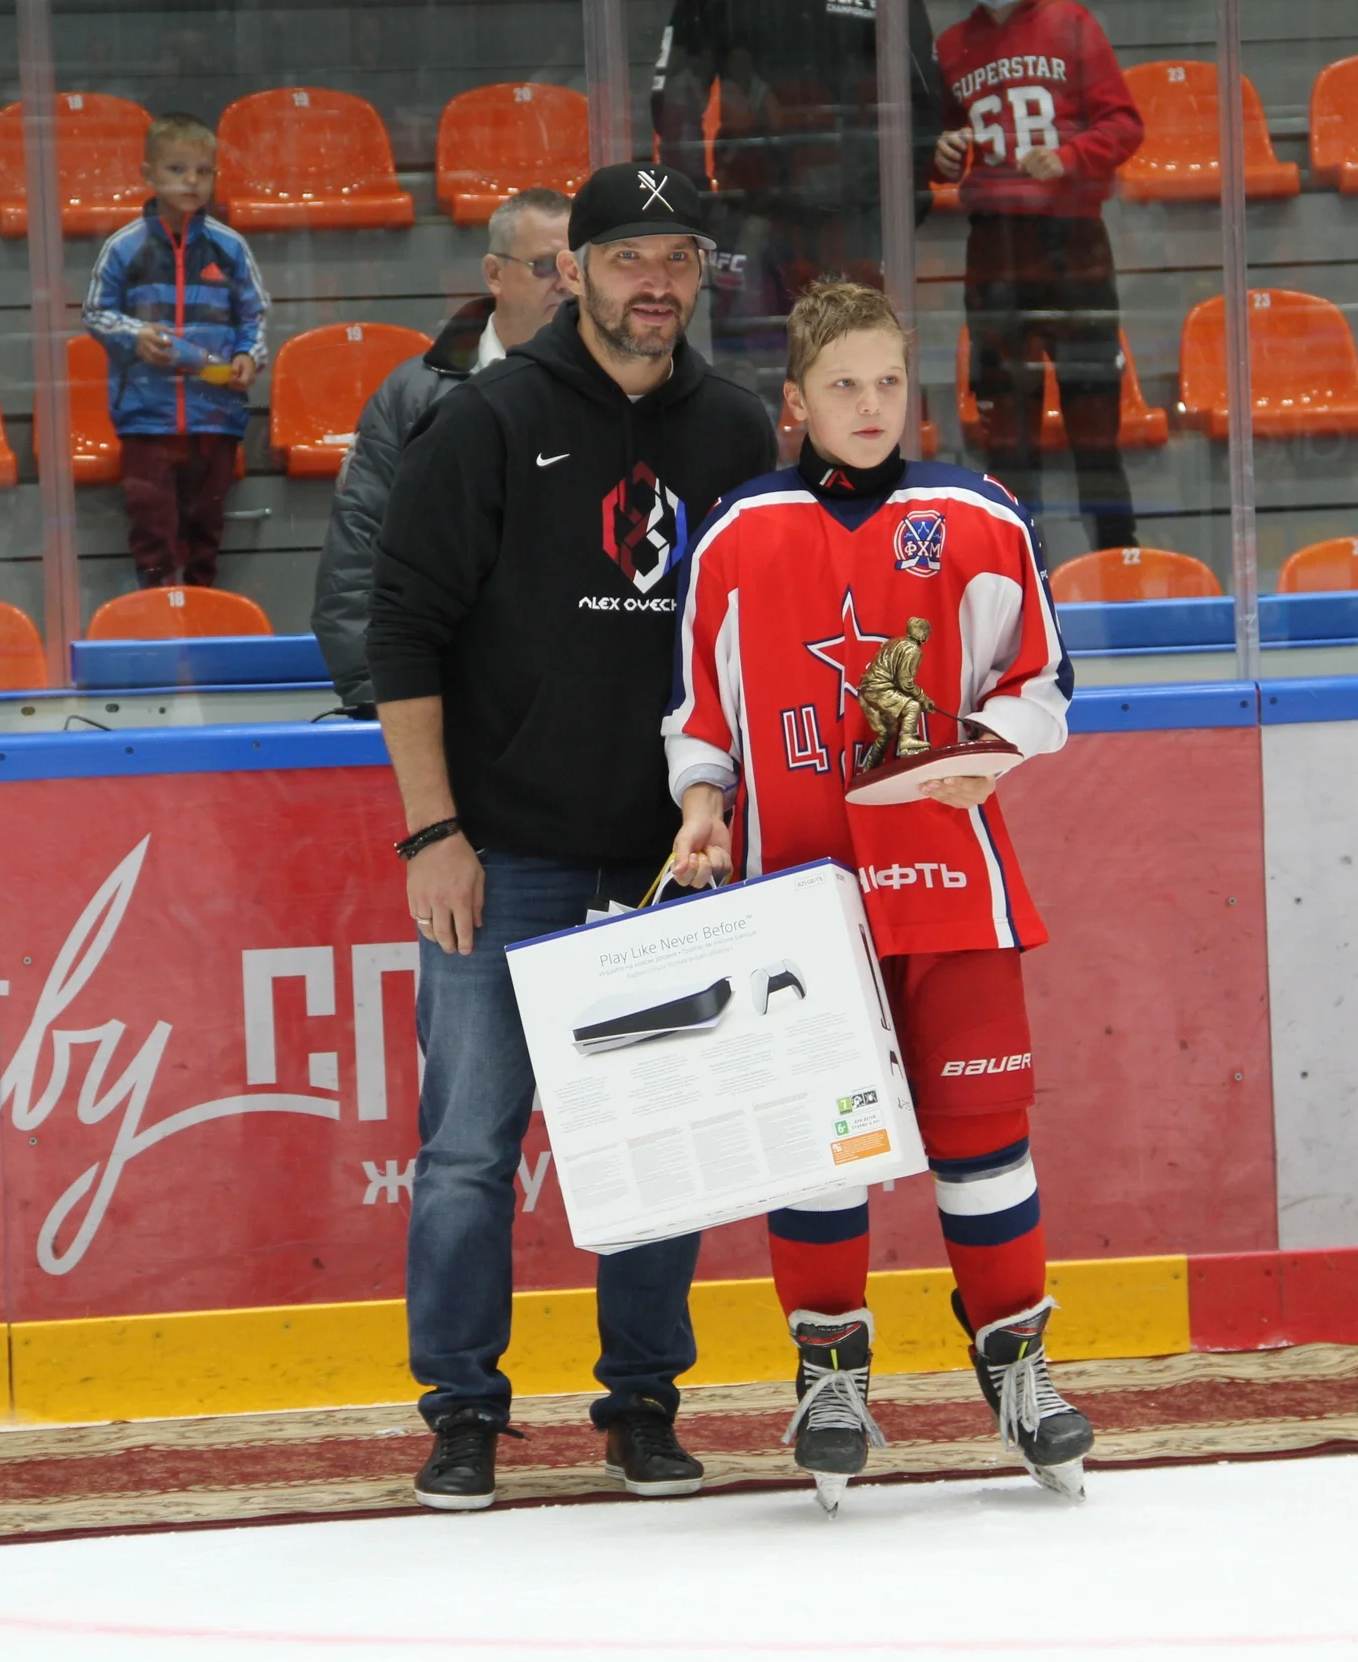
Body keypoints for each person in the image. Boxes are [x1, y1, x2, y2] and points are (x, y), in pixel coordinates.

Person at [366, 162, 779, 1513]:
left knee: (661, 1136)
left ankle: (643, 1404)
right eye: (627, 257)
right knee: (469, 1151)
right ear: (572, 271)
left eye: (678, 258)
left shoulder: (734, 430)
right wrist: (434, 831)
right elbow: (402, 634)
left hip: (669, 859)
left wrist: (730, 814)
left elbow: (755, 640)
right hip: (508, 855)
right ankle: (462, 1412)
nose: (655, 283)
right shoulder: (487, 421)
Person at [662, 280, 1091, 1512]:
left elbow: (1039, 682)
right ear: (795, 400)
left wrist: (992, 751)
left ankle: (1015, 1364)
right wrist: (701, 801)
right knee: (823, 1147)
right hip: (797, 895)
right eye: (842, 385)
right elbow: (700, 707)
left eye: (888, 383)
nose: (869, 405)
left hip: (949, 883)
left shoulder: (976, 514)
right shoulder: (738, 533)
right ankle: (831, 1374)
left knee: (984, 1143)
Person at [312, 187, 572, 717]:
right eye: (546, 266)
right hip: (448, 708)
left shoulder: (624, 390)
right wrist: (378, 697)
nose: (567, 284)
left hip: (579, 707)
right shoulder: (412, 396)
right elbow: (356, 555)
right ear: (494, 274)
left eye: (578, 266)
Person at [650, 0, 945, 413]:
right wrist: (696, 207)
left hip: (856, 217)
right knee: (748, 386)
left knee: (859, 379)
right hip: (753, 214)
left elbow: (923, 102)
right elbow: (677, 96)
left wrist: (897, 208)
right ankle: (752, 455)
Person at [931, 0, 1144, 554]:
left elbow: (1125, 124)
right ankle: (1015, 569)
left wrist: (1070, 156)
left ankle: (1116, 560)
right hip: (995, 248)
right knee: (1007, 437)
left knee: (1095, 427)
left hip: (1072, 243)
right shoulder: (951, 46)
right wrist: (943, 155)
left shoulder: (1071, 23)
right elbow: (940, 147)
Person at [84, 113, 269, 590]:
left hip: (216, 414)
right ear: (148, 174)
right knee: (153, 526)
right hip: (147, 417)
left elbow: (253, 315)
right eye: (177, 169)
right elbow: (96, 313)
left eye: (203, 171)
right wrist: (135, 334)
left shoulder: (230, 246)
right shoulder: (124, 246)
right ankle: (158, 608)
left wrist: (249, 356)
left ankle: (204, 606)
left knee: (207, 526)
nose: (191, 181)